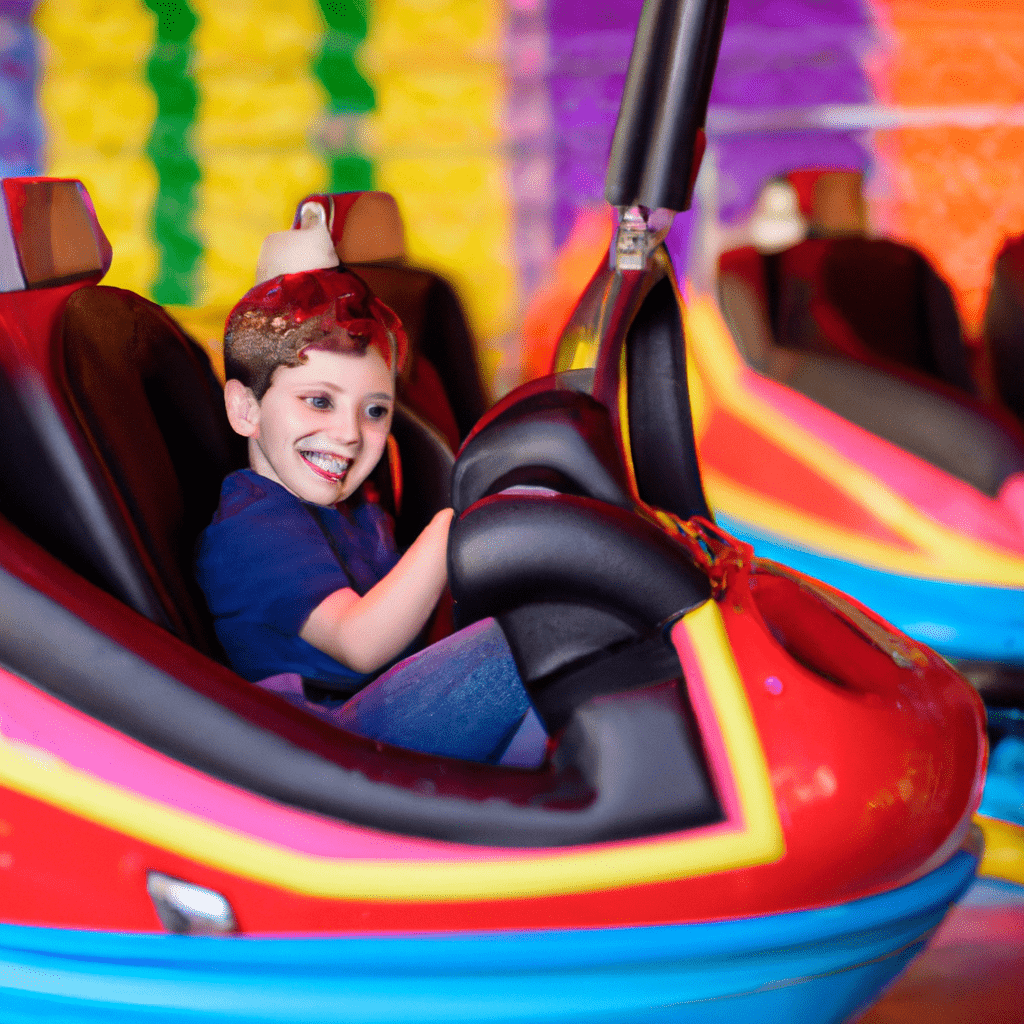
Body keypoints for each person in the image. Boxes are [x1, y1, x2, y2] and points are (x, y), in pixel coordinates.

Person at [196, 257, 545, 766]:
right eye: (319, 401)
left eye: (375, 410)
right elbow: (358, 641)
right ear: (245, 409)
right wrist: (455, 525)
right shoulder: (252, 528)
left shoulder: (349, 507)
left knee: (560, 625)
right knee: (547, 630)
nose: (349, 433)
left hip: (370, 718)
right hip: (328, 746)